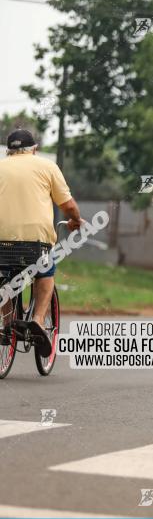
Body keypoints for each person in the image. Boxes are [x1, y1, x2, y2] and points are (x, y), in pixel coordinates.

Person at [0, 129, 82, 356]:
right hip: (36, 241)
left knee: (4, 276)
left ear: (9, 151)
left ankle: (6, 325)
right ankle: (37, 320)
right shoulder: (47, 167)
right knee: (45, 274)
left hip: (2, 240)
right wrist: (75, 220)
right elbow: (68, 205)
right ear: (34, 149)